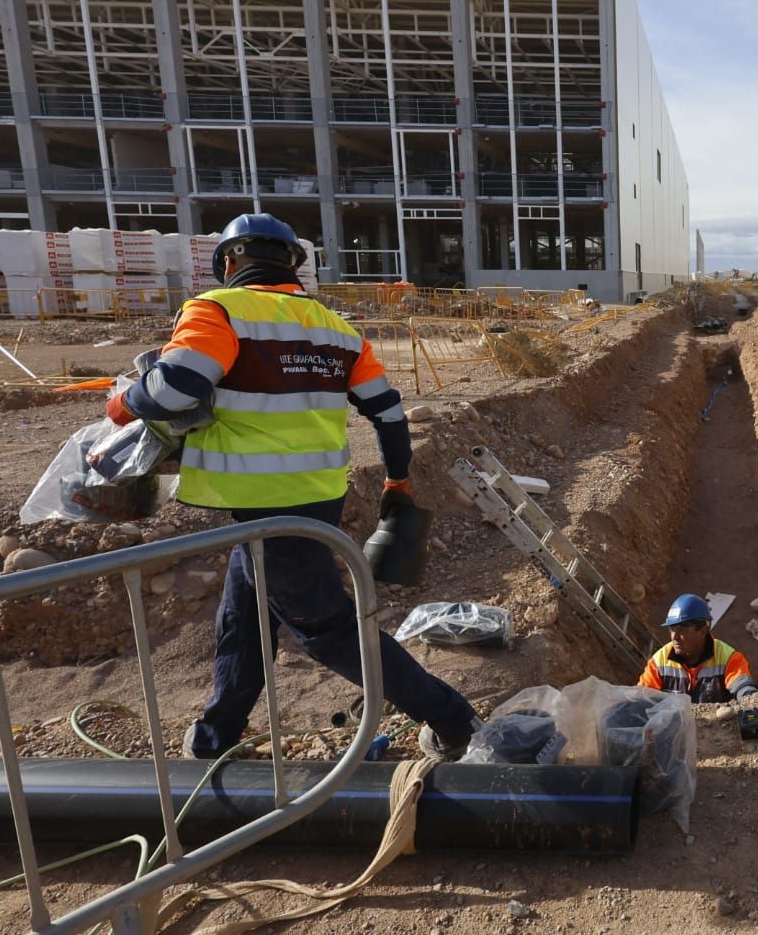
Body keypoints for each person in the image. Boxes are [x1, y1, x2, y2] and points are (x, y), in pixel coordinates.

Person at [106, 212, 481, 761]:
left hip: (267, 506)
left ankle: (454, 721)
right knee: (245, 618)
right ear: (294, 266)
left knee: (324, 627)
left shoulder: (217, 310)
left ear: (230, 261)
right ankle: (215, 738)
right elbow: (389, 413)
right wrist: (398, 480)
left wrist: (122, 402)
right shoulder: (336, 328)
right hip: (312, 499)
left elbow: (175, 388)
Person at [636, 594, 757, 704]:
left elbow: (744, 689)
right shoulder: (658, 662)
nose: (675, 637)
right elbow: (640, 699)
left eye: (682, 630)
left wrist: (753, 700)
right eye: (672, 629)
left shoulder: (729, 658)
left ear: (703, 631)